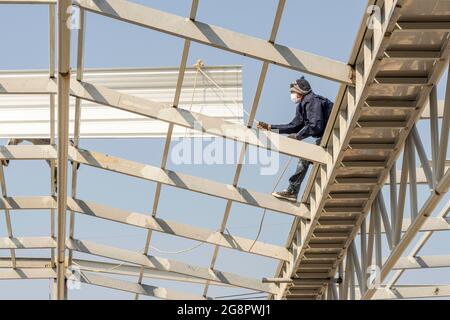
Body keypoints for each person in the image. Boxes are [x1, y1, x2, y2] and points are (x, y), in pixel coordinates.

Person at [257, 76, 334, 202]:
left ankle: (292, 190)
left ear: (301, 90)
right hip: (326, 137)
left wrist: (298, 136)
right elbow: (294, 126)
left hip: (331, 135)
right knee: (306, 157)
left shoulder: (312, 101)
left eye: (293, 92)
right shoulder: (303, 105)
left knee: (305, 156)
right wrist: (270, 128)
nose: (292, 95)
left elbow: (315, 125)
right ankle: (292, 190)